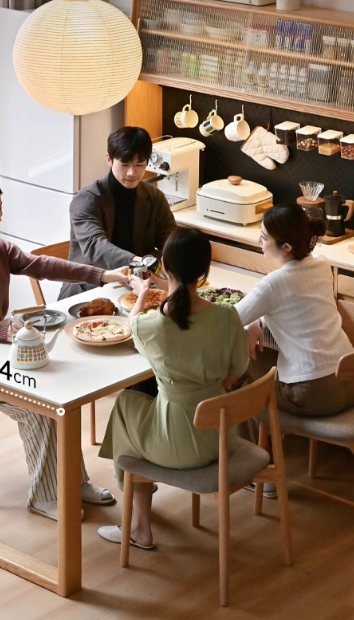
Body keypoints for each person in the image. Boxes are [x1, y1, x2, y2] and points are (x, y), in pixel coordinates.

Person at [0, 165, 130, 521]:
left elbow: (42, 266)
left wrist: (101, 275)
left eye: (0, 210)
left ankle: (72, 482)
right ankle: (46, 497)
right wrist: (0, 332)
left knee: (58, 400)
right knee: (35, 407)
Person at [96, 227, 249, 550]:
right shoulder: (228, 316)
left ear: (164, 265)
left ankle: (139, 525)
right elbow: (238, 370)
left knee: (126, 404)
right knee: (139, 405)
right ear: (205, 271)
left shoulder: (153, 325)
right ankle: (139, 517)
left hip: (176, 445)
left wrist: (141, 291)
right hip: (220, 438)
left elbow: (133, 325)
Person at [236, 203, 354, 418]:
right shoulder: (322, 265)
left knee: (240, 378)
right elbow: (298, 309)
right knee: (263, 357)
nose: (258, 241)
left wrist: (253, 321)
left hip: (314, 393)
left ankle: (251, 450)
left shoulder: (275, 284)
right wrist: (258, 322)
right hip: (351, 382)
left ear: (286, 247)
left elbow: (228, 319)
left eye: (264, 237)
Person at [58, 126, 176, 300]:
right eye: (124, 164)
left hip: (138, 288)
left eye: (139, 164)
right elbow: (95, 246)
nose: (132, 172)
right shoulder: (86, 199)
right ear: (109, 159)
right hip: (88, 291)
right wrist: (141, 262)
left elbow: (171, 242)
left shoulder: (154, 197)